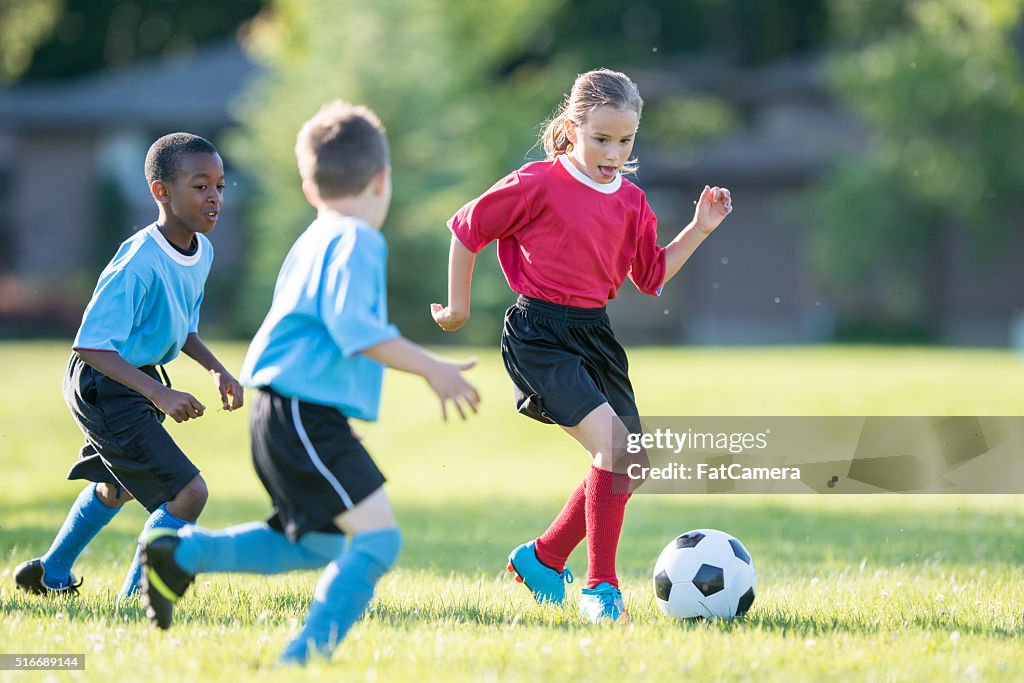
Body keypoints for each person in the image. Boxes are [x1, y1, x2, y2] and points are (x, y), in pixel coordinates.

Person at [139, 100, 480, 666]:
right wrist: (432, 368)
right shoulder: (358, 239)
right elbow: (354, 328)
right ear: (382, 180)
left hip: (285, 411)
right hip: (300, 413)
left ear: (308, 185)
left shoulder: (316, 235)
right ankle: (300, 660)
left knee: (317, 544)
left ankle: (181, 552)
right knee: (379, 540)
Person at [430, 68, 733, 622]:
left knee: (629, 462)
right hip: (539, 334)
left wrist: (700, 229)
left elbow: (651, 274)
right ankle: (601, 588)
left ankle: (542, 558)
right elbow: (466, 230)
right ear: (572, 128)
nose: (614, 152)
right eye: (601, 139)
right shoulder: (537, 182)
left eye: (625, 141)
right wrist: (457, 309)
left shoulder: (633, 202)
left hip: (595, 334)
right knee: (614, 451)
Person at [13, 133, 244, 605]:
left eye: (220, 185)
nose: (215, 197)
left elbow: (179, 327)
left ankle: (50, 573)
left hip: (132, 380)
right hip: (104, 381)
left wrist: (216, 369)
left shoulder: (202, 251)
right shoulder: (138, 261)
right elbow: (93, 346)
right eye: (200, 186)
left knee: (115, 486)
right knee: (188, 494)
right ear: (162, 192)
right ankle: (135, 604)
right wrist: (160, 395)